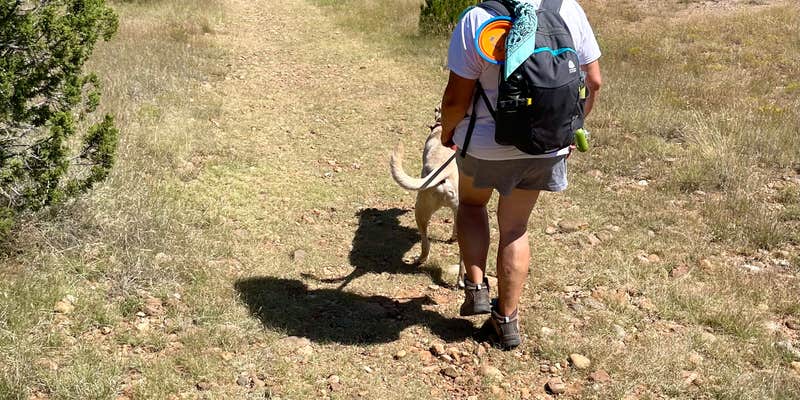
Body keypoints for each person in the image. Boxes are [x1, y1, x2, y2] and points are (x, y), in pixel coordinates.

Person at [440, 0, 602, 349]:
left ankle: (477, 288)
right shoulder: (567, 8)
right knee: (515, 227)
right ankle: (507, 320)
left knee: (470, 205)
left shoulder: (478, 18)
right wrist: (571, 129)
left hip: (484, 144)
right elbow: (594, 81)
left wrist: (447, 134)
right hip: (544, 146)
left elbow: (455, 100)